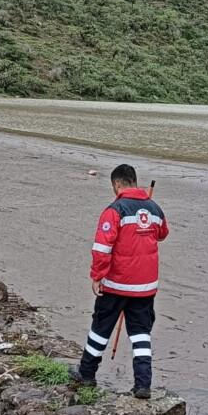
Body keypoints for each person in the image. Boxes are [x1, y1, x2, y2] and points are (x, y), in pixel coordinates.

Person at [71, 163, 169, 399]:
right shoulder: (155, 209)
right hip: (145, 287)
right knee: (140, 334)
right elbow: (163, 234)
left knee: (100, 329)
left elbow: (102, 248)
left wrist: (97, 276)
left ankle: (86, 373)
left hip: (116, 285)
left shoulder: (114, 210)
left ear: (117, 184)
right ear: (135, 181)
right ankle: (143, 384)